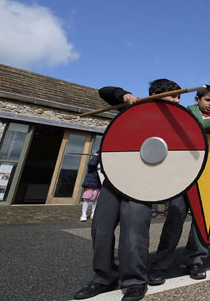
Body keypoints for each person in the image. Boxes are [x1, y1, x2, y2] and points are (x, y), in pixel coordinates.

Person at [74, 79, 183, 301]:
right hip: (115, 180)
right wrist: (123, 95)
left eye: (179, 97)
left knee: (134, 235)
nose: (177, 101)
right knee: (100, 230)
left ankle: (134, 281)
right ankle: (104, 277)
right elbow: (104, 91)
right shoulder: (132, 109)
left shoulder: (176, 123)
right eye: (173, 96)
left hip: (142, 184)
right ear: (155, 95)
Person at [148, 85, 210, 286]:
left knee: (202, 221)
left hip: (206, 178)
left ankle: (195, 260)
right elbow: (189, 126)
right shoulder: (185, 112)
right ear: (197, 99)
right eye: (207, 100)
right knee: (174, 220)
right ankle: (160, 265)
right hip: (183, 177)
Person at [80, 152, 102, 222]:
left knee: (96, 199)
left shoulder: (101, 162)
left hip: (98, 183)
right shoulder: (94, 161)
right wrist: (96, 156)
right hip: (90, 183)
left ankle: (93, 213)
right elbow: (91, 164)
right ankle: (83, 214)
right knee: (86, 199)